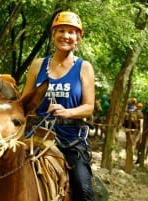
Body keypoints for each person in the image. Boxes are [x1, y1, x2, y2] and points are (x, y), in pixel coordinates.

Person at [22, 11, 96, 201]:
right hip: (35, 134)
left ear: (78, 39)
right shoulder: (38, 65)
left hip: (70, 138)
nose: (66, 36)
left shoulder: (84, 67)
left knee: (84, 191)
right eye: (61, 30)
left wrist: (67, 112)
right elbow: (24, 103)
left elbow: (89, 107)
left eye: (71, 32)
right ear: (53, 34)